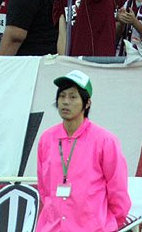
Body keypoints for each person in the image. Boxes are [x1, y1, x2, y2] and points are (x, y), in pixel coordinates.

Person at [35, 70, 130, 232]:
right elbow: (44, 188)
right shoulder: (47, 139)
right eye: (62, 96)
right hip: (52, 228)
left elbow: (118, 190)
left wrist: (107, 224)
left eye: (73, 97)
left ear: (87, 103)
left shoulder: (104, 140)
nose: (65, 102)